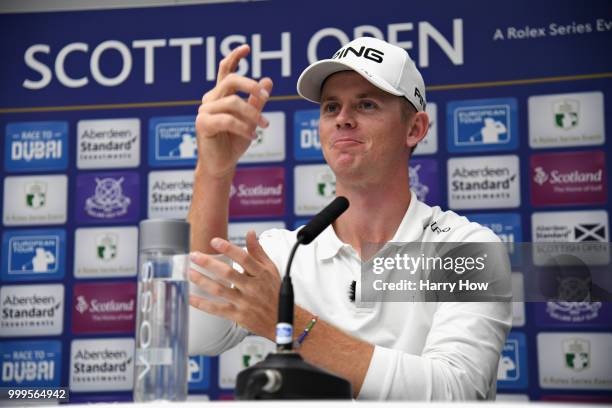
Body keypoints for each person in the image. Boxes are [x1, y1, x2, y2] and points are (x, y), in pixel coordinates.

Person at [187, 37, 511, 400]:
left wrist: (289, 323)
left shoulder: (467, 247)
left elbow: (456, 392)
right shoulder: (283, 254)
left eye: (366, 104)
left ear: (415, 129)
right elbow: (198, 333)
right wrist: (213, 172)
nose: (343, 119)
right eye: (330, 107)